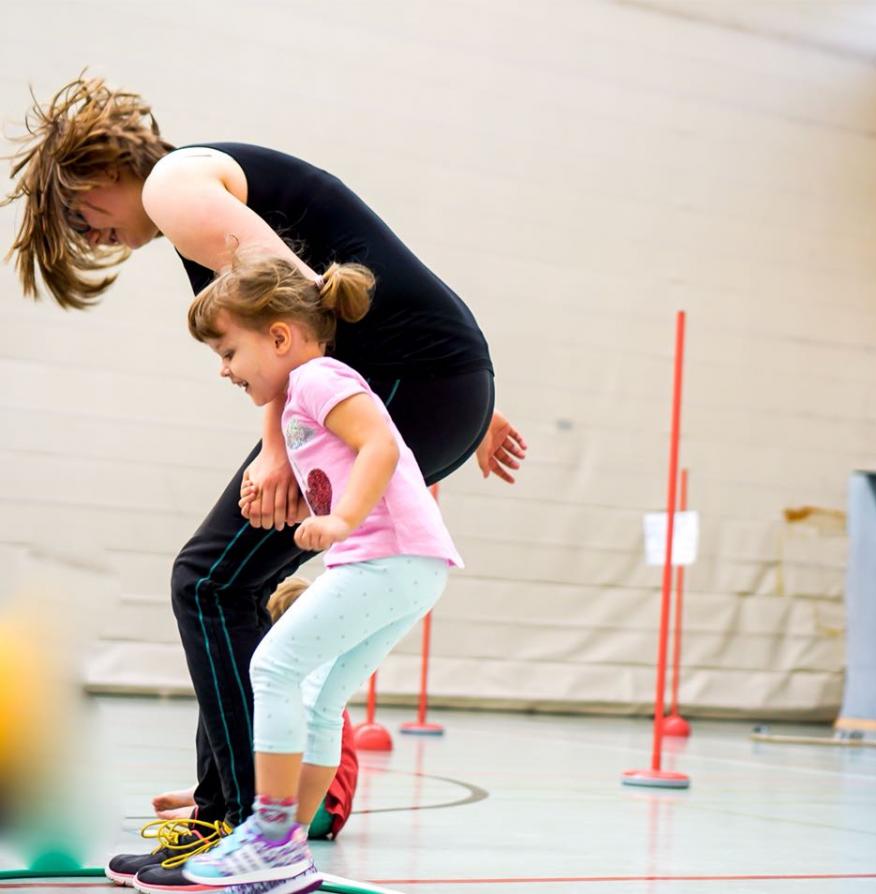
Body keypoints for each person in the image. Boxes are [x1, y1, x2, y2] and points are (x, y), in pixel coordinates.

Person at [4, 77, 525, 889]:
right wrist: (469, 401)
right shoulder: (196, 196)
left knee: (209, 582)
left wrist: (280, 450)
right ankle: (242, 807)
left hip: (409, 380)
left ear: (99, 175)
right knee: (225, 583)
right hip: (425, 380)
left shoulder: (175, 187)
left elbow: (294, 306)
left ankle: (249, 825)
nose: (93, 234)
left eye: (80, 216)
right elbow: (344, 290)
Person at [177, 254, 461, 891]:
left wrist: (341, 521)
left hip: (386, 557)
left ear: (279, 336)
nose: (224, 369)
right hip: (413, 565)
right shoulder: (303, 398)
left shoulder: (316, 379)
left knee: (273, 667)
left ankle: (270, 833)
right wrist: (308, 507)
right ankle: (289, 851)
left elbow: (382, 446)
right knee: (321, 699)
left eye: (228, 351)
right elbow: (344, 473)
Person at [145, 577, 359, 840]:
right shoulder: (315, 670)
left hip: (318, 808)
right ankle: (210, 792)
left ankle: (208, 803)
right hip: (319, 802)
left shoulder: (298, 677)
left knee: (243, 716)